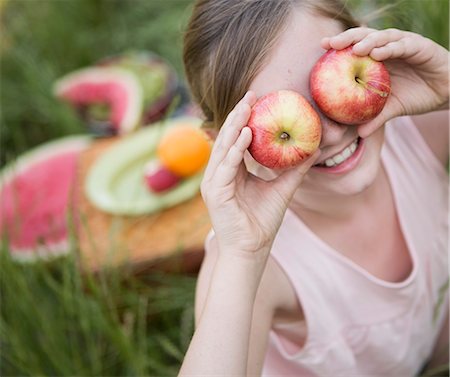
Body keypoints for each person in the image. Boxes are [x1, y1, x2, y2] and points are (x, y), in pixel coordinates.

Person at [178, 0, 449, 375]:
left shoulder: (418, 135)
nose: (333, 134)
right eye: (289, 115)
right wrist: (243, 256)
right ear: (225, 145)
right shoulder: (256, 265)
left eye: (330, 86)